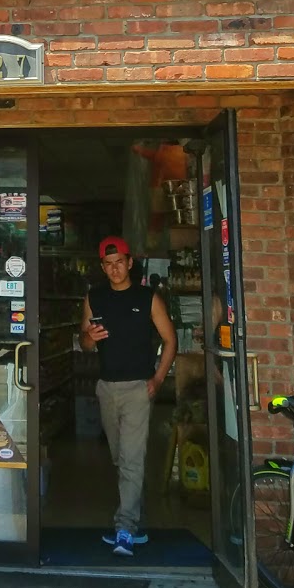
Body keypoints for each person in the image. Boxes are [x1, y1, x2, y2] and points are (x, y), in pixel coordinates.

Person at [80, 235, 177, 556]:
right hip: (106, 387)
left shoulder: (148, 298)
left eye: (119, 262)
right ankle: (134, 511)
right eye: (108, 264)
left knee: (132, 461)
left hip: (138, 388)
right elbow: (84, 342)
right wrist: (89, 339)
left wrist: (158, 379)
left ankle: (125, 528)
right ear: (102, 267)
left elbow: (170, 340)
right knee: (120, 458)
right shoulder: (94, 298)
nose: (114, 269)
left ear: (130, 262)